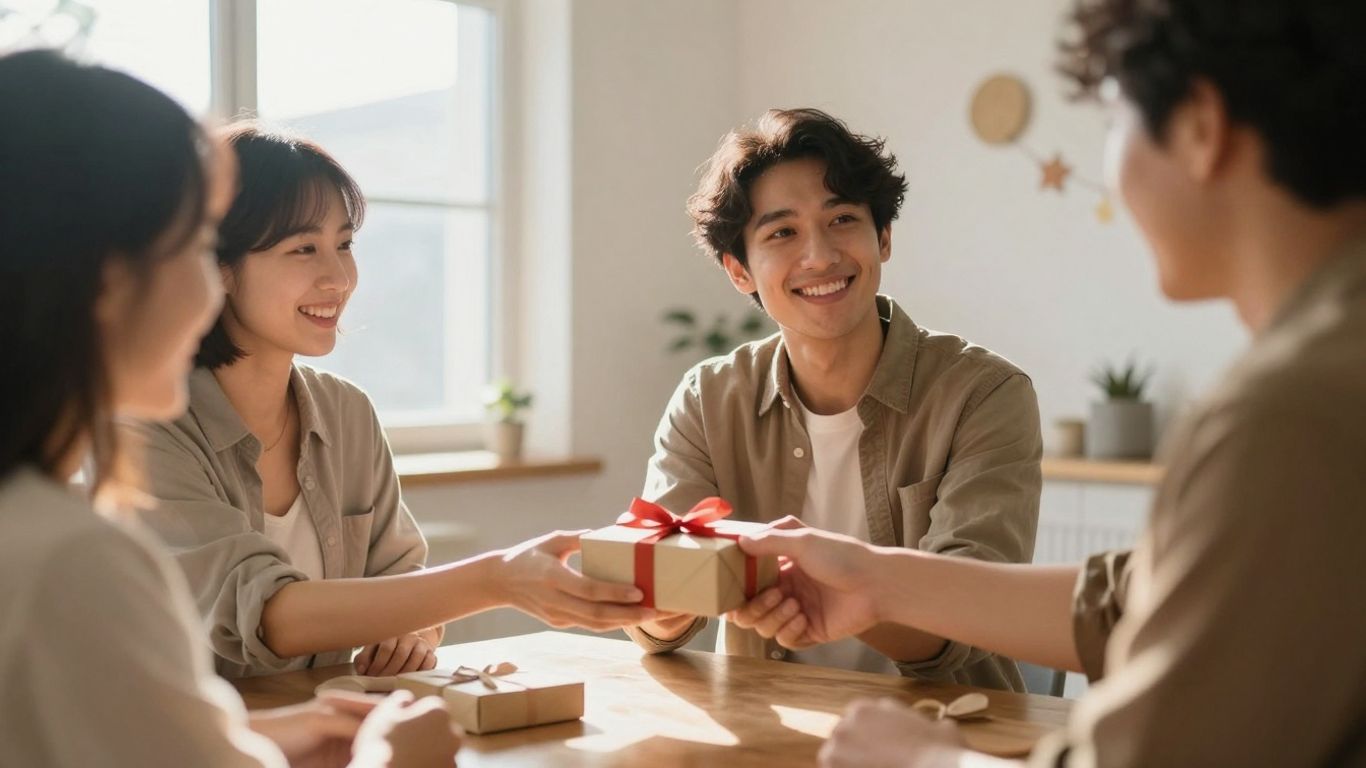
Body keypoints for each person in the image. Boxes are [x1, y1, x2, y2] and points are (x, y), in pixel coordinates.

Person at [736, 1, 1366, 765]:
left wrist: (929, 761)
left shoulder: (1291, 415)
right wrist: (874, 581)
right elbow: (1139, 598)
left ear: (1200, 127)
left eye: (1113, 120)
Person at [0, 48, 460, 766]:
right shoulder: (73, 559)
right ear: (109, 281)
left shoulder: (37, 531)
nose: (207, 287)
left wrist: (266, 735)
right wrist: (396, 759)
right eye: (192, 246)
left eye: (344, 244)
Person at [135, 122, 657, 678]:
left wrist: (413, 630)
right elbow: (267, 616)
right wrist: (498, 579)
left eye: (344, 245)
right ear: (217, 268)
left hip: (328, 720)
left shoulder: (347, 413)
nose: (339, 278)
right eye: (304, 249)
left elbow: (401, 574)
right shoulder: (146, 429)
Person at [625, 108, 1042, 690]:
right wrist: (658, 596)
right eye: (782, 233)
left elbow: (967, 612)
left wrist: (849, 596)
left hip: (948, 724)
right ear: (739, 271)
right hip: (768, 726)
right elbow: (656, 620)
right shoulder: (708, 399)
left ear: (884, 238)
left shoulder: (984, 394)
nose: (820, 256)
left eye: (842, 219)